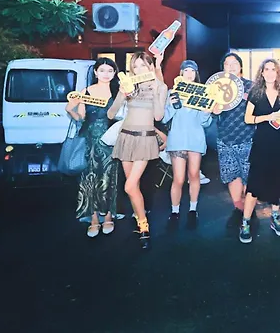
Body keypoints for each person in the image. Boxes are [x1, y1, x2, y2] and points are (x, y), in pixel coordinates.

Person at [107, 52, 168, 249]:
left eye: (143, 65)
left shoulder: (160, 86)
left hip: (144, 139)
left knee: (129, 186)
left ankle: (143, 225)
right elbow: (111, 113)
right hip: (126, 137)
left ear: (150, 66)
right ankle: (140, 220)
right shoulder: (129, 85)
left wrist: (156, 90)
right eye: (136, 66)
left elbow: (158, 116)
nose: (140, 69)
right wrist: (122, 94)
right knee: (134, 187)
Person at [239, 59, 280, 244]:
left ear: (278, 73)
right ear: (261, 73)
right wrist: (267, 117)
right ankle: (245, 222)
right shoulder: (256, 92)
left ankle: (275, 218)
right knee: (255, 184)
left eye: (273, 69)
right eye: (267, 69)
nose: (270, 73)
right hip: (262, 142)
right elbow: (248, 119)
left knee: (278, 182)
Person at [65, 57, 120, 238]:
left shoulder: (118, 91)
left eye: (110, 70)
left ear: (114, 73)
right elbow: (80, 117)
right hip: (89, 139)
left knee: (109, 177)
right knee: (89, 178)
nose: (106, 74)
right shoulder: (86, 92)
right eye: (102, 70)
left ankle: (109, 216)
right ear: (95, 72)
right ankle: (94, 219)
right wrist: (70, 109)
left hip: (110, 140)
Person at [163, 60, 213, 229]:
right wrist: (171, 106)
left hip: (195, 139)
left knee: (194, 175)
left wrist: (206, 112)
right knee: (178, 178)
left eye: (192, 71)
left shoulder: (202, 92)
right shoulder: (172, 92)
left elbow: (204, 122)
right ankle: (174, 211)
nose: (189, 74)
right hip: (177, 139)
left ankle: (193, 210)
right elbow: (164, 118)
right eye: (186, 70)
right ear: (181, 73)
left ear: (196, 73)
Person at [213, 52, 255, 227]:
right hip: (225, 138)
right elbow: (212, 111)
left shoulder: (251, 86)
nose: (230, 67)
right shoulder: (217, 86)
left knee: (249, 176)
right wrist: (216, 106)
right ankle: (239, 207)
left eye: (234, 63)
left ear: (241, 66)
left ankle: (249, 208)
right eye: (226, 64)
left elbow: (261, 109)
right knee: (232, 175)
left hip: (248, 138)